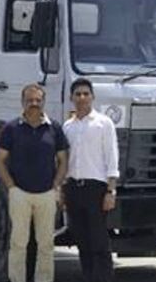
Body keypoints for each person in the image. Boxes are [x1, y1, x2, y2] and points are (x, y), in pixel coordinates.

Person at [0, 84, 69, 282]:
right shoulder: (11, 128)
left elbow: (63, 160)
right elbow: (0, 160)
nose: (34, 103)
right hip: (20, 194)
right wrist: (11, 186)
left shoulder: (54, 128)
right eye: (30, 100)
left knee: (46, 244)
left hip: (46, 194)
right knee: (18, 243)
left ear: (43, 102)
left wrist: (56, 185)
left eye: (38, 100)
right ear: (22, 102)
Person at [62, 78, 120, 282]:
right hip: (73, 188)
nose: (82, 97)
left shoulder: (104, 123)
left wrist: (111, 191)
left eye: (86, 94)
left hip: (96, 189)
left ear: (93, 97)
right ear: (71, 98)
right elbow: (64, 160)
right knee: (82, 240)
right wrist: (62, 190)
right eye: (78, 94)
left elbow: (112, 158)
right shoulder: (67, 126)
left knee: (99, 241)